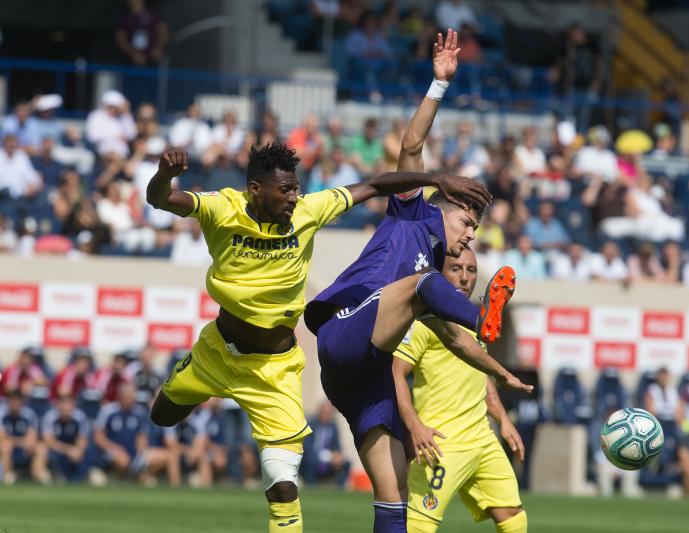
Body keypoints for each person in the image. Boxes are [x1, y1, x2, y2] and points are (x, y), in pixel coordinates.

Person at [146, 32, 492, 532]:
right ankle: (185, 382)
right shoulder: (223, 209)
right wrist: (162, 176)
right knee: (163, 417)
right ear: (255, 190)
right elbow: (163, 200)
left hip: (277, 367)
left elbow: (372, 184)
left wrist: (440, 177)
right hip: (218, 350)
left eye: (296, 189)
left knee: (284, 484)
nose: (293, 198)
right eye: (284, 190)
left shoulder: (310, 209)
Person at [304, 30, 531, 533]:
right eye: (467, 222)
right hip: (347, 328)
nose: (470, 234)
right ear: (444, 207)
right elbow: (411, 145)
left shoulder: (435, 278)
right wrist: (438, 85)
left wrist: (500, 372)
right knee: (425, 282)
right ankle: (484, 315)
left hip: (360, 377)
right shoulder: (412, 215)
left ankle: (484, 318)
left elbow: (456, 340)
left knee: (395, 495)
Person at [393, 247, 528, 533]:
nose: (465, 277)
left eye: (471, 270)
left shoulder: (475, 321)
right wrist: (414, 425)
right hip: (442, 443)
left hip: (482, 439)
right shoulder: (424, 321)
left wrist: (502, 419)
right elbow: (395, 373)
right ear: (439, 274)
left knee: (513, 517)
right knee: (418, 526)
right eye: (456, 269)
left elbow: (480, 376)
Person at [91, 383, 149, 485]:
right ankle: (116, 480)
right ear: (120, 396)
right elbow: (97, 436)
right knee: (123, 461)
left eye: (131, 397)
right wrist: (114, 448)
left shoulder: (140, 412)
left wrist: (141, 454)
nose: (129, 400)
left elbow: (142, 436)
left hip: (133, 453)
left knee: (162, 457)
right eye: (126, 397)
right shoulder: (108, 411)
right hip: (111, 452)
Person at [0, 390, 49, 485]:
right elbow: (1, 437)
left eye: (18, 401)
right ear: (8, 401)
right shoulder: (1, 413)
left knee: (41, 448)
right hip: (7, 446)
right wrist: (21, 441)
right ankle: (7, 476)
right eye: (13, 401)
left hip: (23, 446)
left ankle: (39, 475)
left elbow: (32, 437)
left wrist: (24, 442)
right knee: (6, 445)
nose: (15, 403)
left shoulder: (29, 414)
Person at [41, 394, 91, 483]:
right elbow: (49, 441)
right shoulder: (50, 417)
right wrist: (68, 450)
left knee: (88, 451)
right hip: (56, 450)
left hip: (74, 451)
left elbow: (83, 439)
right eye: (63, 404)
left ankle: (83, 477)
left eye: (68, 404)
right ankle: (47, 477)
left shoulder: (80, 417)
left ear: (73, 405)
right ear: (58, 405)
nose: (65, 407)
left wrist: (78, 450)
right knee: (41, 449)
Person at [301, 400, 350, 487]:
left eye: (328, 413)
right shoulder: (311, 424)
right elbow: (308, 449)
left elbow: (337, 446)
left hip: (329, 460)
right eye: (324, 412)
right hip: (313, 458)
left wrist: (337, 456)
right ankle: (311, 489)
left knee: (346, 463)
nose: (325, 415)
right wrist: (326, 457)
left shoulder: (333, 427)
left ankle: (340, 491)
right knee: (310, 461)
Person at [115, 0, 168, 66]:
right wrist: (133, 53)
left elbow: (163, 31)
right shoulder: (125, 17)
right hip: (131, 58)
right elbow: (120, 38)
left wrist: (159, 47)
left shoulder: (152, 14)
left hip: (153, 57)